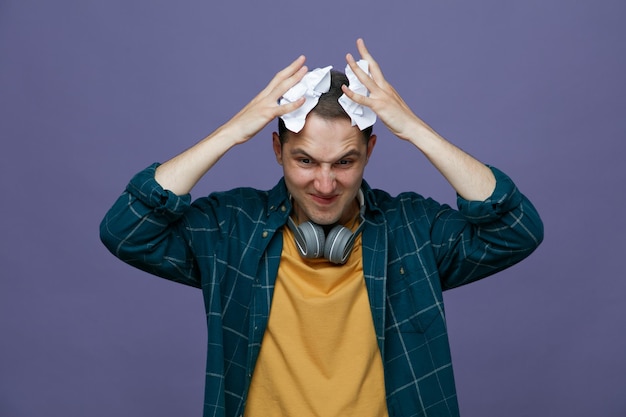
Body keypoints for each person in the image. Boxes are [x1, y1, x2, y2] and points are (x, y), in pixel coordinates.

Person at [100, 38, 543, 417]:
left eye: (345, 162)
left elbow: (516, 229)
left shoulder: (412, 230)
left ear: (370, 151)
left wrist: (414, 129)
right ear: (278, 150)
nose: (325, 184)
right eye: (305, 160)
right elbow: (127, 229)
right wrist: (232, 132)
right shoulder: (232, 229)